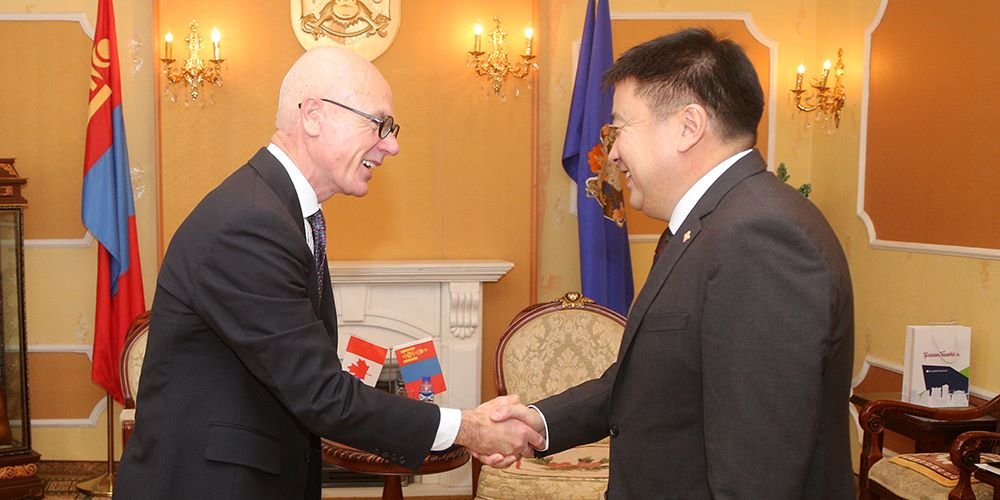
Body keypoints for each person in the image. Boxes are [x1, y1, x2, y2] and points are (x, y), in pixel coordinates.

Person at [114, 47, 541, 499]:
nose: (391, 145)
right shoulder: (250, 223)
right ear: (314, 116)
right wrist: (468, 427)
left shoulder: (280, 211)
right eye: (379, 124)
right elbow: (321, 394)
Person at [485, 28, 855, 498]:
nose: (612, 153)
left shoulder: (759, 237)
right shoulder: (715, 224)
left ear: (688, 126)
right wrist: (540, 422)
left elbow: (758, 468)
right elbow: (652, 381)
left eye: (619, 128)